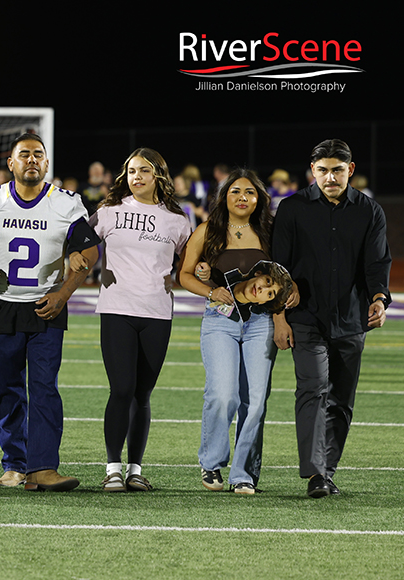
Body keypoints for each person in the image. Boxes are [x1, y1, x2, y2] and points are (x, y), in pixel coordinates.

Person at [0, 133, 99, 491]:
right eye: (24, 155)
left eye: (38, 154)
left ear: (47, 163)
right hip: (2, 305)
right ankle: (14, 465)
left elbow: (89, 249)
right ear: (11, 163)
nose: (32, 160)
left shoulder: (66, 203)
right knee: (5, 389)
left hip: (45, 306)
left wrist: (64, 293)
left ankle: (42, 468)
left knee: (43, 389)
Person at [270, 139, 392, 498]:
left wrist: (379, 298)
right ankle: (315, 474)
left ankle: (328, 470)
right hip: (305, 318)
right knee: (313, 389)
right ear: (313, 171)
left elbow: (377, 262)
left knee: (341, 400)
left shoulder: (370, 211)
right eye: (322, 170)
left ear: (349, 170)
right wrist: (279, 317)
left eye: (337, 170)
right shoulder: (292, 209)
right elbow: (279, 268)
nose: (330, 177)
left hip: (352, 320)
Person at [75, 148, 192, 492]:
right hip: (117, 309)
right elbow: (78, 239)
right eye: (130, 171)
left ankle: (135, 469)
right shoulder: (109, 212)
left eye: (143, 170)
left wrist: (199, 270)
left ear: (159, 175)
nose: (136, 176)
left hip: (157, 312)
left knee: (143, 394)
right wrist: (77, 258)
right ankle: (113, 467)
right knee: (122, 389)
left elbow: (190, 262)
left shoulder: (177, 218)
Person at [177, 169, 294, 494]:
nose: (243, 197)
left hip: (262, 322)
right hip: (220, 319)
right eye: (236, 191)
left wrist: (281, 319)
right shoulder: (208, 230)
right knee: (222, 394)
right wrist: (209, 291)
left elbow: (281, 281)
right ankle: (211, 463)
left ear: (259, 198)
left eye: (250, 192)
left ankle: (244, 473)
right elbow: (185, 274)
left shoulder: (270, 232)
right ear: (224, 196)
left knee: (255, 400)